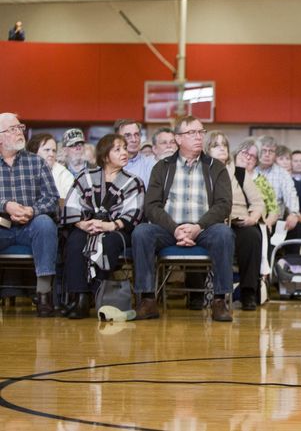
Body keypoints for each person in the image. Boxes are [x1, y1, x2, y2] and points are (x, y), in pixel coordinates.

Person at [131, 116, 235, 322]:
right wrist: (175, 229)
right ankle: (147, 300)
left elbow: (223, 205)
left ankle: (219, 300)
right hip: (169, 230)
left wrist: (198, 227)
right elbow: (151, 206)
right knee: (142, 232)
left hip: (205, 229)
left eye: (201, 132)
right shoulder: (162, 167)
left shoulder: (216, 167)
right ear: (178, 139)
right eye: (192, 133)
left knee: (225, 233)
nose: (198, 137)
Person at [60, 133, 145, 319]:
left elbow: (134, 213)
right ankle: (80, 297)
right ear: (105, 156)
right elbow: (71, 205)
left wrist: (109, 225)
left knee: (108, 242)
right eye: (118, 149)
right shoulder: (86, 176)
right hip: (87, 225)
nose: (124, 152)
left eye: (124, 148)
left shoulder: (134, 182)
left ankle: (98, 294)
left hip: (117, 229)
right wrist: (82, 224)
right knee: (75, 241)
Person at [0, 113, 59, 316]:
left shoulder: (37, 162)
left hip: (31, 226)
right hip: (2, 227)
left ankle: (43, 294)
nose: (19, 132)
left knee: (45, 223)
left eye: (20, 128)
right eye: (13, 129)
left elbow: (51, 198)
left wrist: (32, 210)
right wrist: (5, 206)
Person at [206, 131, 264, 310]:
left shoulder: (239, 172)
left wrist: (253, 218)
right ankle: (202, 295)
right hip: (212, 222)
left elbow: (258, 202)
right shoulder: (201, 172)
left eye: (224, 145)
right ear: (206, 150)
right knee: (216, 235)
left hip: (239, 221)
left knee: (252, 236)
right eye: (216, 145)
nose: (222, 148)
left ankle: (248, 293)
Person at [26, 133, 74, 205]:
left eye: (54, 151)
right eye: (47, 150)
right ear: (34, 151)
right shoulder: (22, 171)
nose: (51, 154)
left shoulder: (64, 174)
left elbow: (73, 201)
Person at [115, 119, 155, 185]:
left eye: (137, 134)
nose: (134, 140)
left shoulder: (151, 165)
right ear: (117, 138)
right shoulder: (107, 166)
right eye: (127, 135)